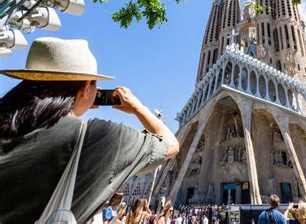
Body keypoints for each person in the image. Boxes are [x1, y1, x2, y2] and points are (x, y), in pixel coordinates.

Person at [0, 37, 179, 223]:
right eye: (93, 83)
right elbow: (171, 145)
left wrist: (75, 106)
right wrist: (138, 108)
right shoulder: (98, 138)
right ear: (86, 88)